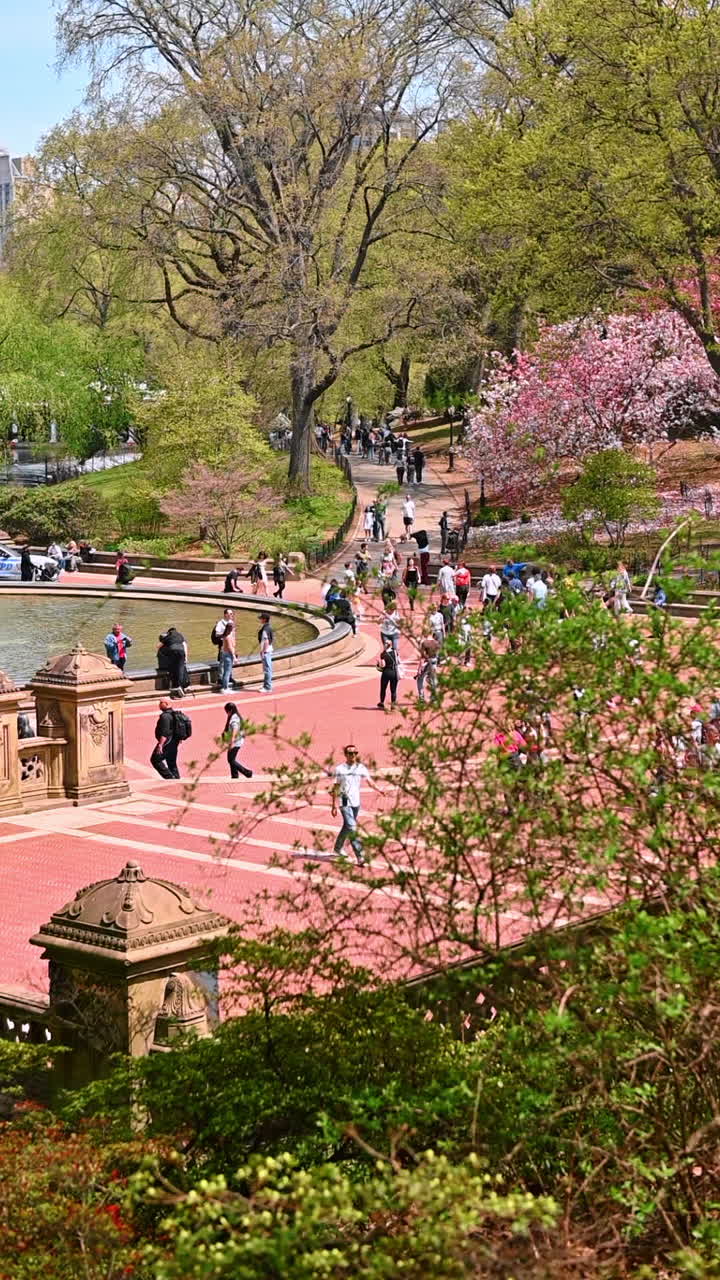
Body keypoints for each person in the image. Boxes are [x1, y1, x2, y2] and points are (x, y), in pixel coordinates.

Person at [331, 744, 384, 865]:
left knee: (347, 826)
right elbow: (335, 787)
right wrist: (334, 805)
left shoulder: (361, 768)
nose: (353, 755)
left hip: (356, 802)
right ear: (345, 755)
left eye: (355, 753)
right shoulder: (340, 769)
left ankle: (337, 848)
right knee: (352, 828)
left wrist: (379, 789)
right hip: (344, 800)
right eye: (350, 753)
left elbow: (369, 781)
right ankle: (360, 856)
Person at [151, 698, 181, 779]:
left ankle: (170, 778)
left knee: (155, 759)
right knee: (171, 762)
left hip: (167, 742)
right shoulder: (174, 714)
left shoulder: (165, 716)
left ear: (166, 704)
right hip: (174, 742)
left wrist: (160, 745)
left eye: (161, 703)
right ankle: (177, 779)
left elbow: (165, 732)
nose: (159, 705)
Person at [223, 702, 253, 778]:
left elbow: (235, 731)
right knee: (231, 759)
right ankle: (234, 775)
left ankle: (247, 772)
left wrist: (231, 743)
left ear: (230, 711)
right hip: (238, 741)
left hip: (235, 742)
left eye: (227, 711)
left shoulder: (234, 719)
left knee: (231, 760)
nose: (227, 713)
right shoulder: (236, 716)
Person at [158, 627, 188, 696]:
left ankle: (177, 686)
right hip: (181, 652)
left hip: (172, 652)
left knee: (174, 668)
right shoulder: (180, 635)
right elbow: (185, 646)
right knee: (181, 668)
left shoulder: (168, 636)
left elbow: (158, 646)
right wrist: (186, 657)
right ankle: (181, 686)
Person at [376, 637, 400, 710]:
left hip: (386, 672)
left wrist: (378, 663)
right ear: (391, 645)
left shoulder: (383, 654)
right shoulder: (395, 652)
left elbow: (383, 665)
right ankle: (393, 705)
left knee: (383, 688)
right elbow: (398, 662)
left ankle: (382, 703)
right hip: (394, 672)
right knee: (393, 690)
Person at [416, 634, 440, 701]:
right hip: (434, 662)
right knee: (433, 680)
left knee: (420, 679)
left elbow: (422, 656)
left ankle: (421, 698)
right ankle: (434, 697)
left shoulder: (425, 643)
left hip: (427, 662)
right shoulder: (436, 643)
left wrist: (419, 668)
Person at [219, 620, 236, 692]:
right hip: (228, 655)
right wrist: (234, 657)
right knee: (227, 671)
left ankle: (225, 687)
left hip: (225, 654)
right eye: (233, 628)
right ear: (230, 629)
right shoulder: (228, 637)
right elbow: (230, 647)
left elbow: (232, 645)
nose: (234, 629)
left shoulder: (226, 636)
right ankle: (225, 688)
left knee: (226, 671)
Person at [258, 612, 274, 692]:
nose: (260, 620)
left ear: (264, 619)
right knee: (268, 669)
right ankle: (266, 685)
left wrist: (263, 652)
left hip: (266, 651)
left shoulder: (265, 629)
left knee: (267, 670)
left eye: (261, 618)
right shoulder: (269, 627)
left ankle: (268, 687)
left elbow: (266, 641)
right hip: (269, 650)